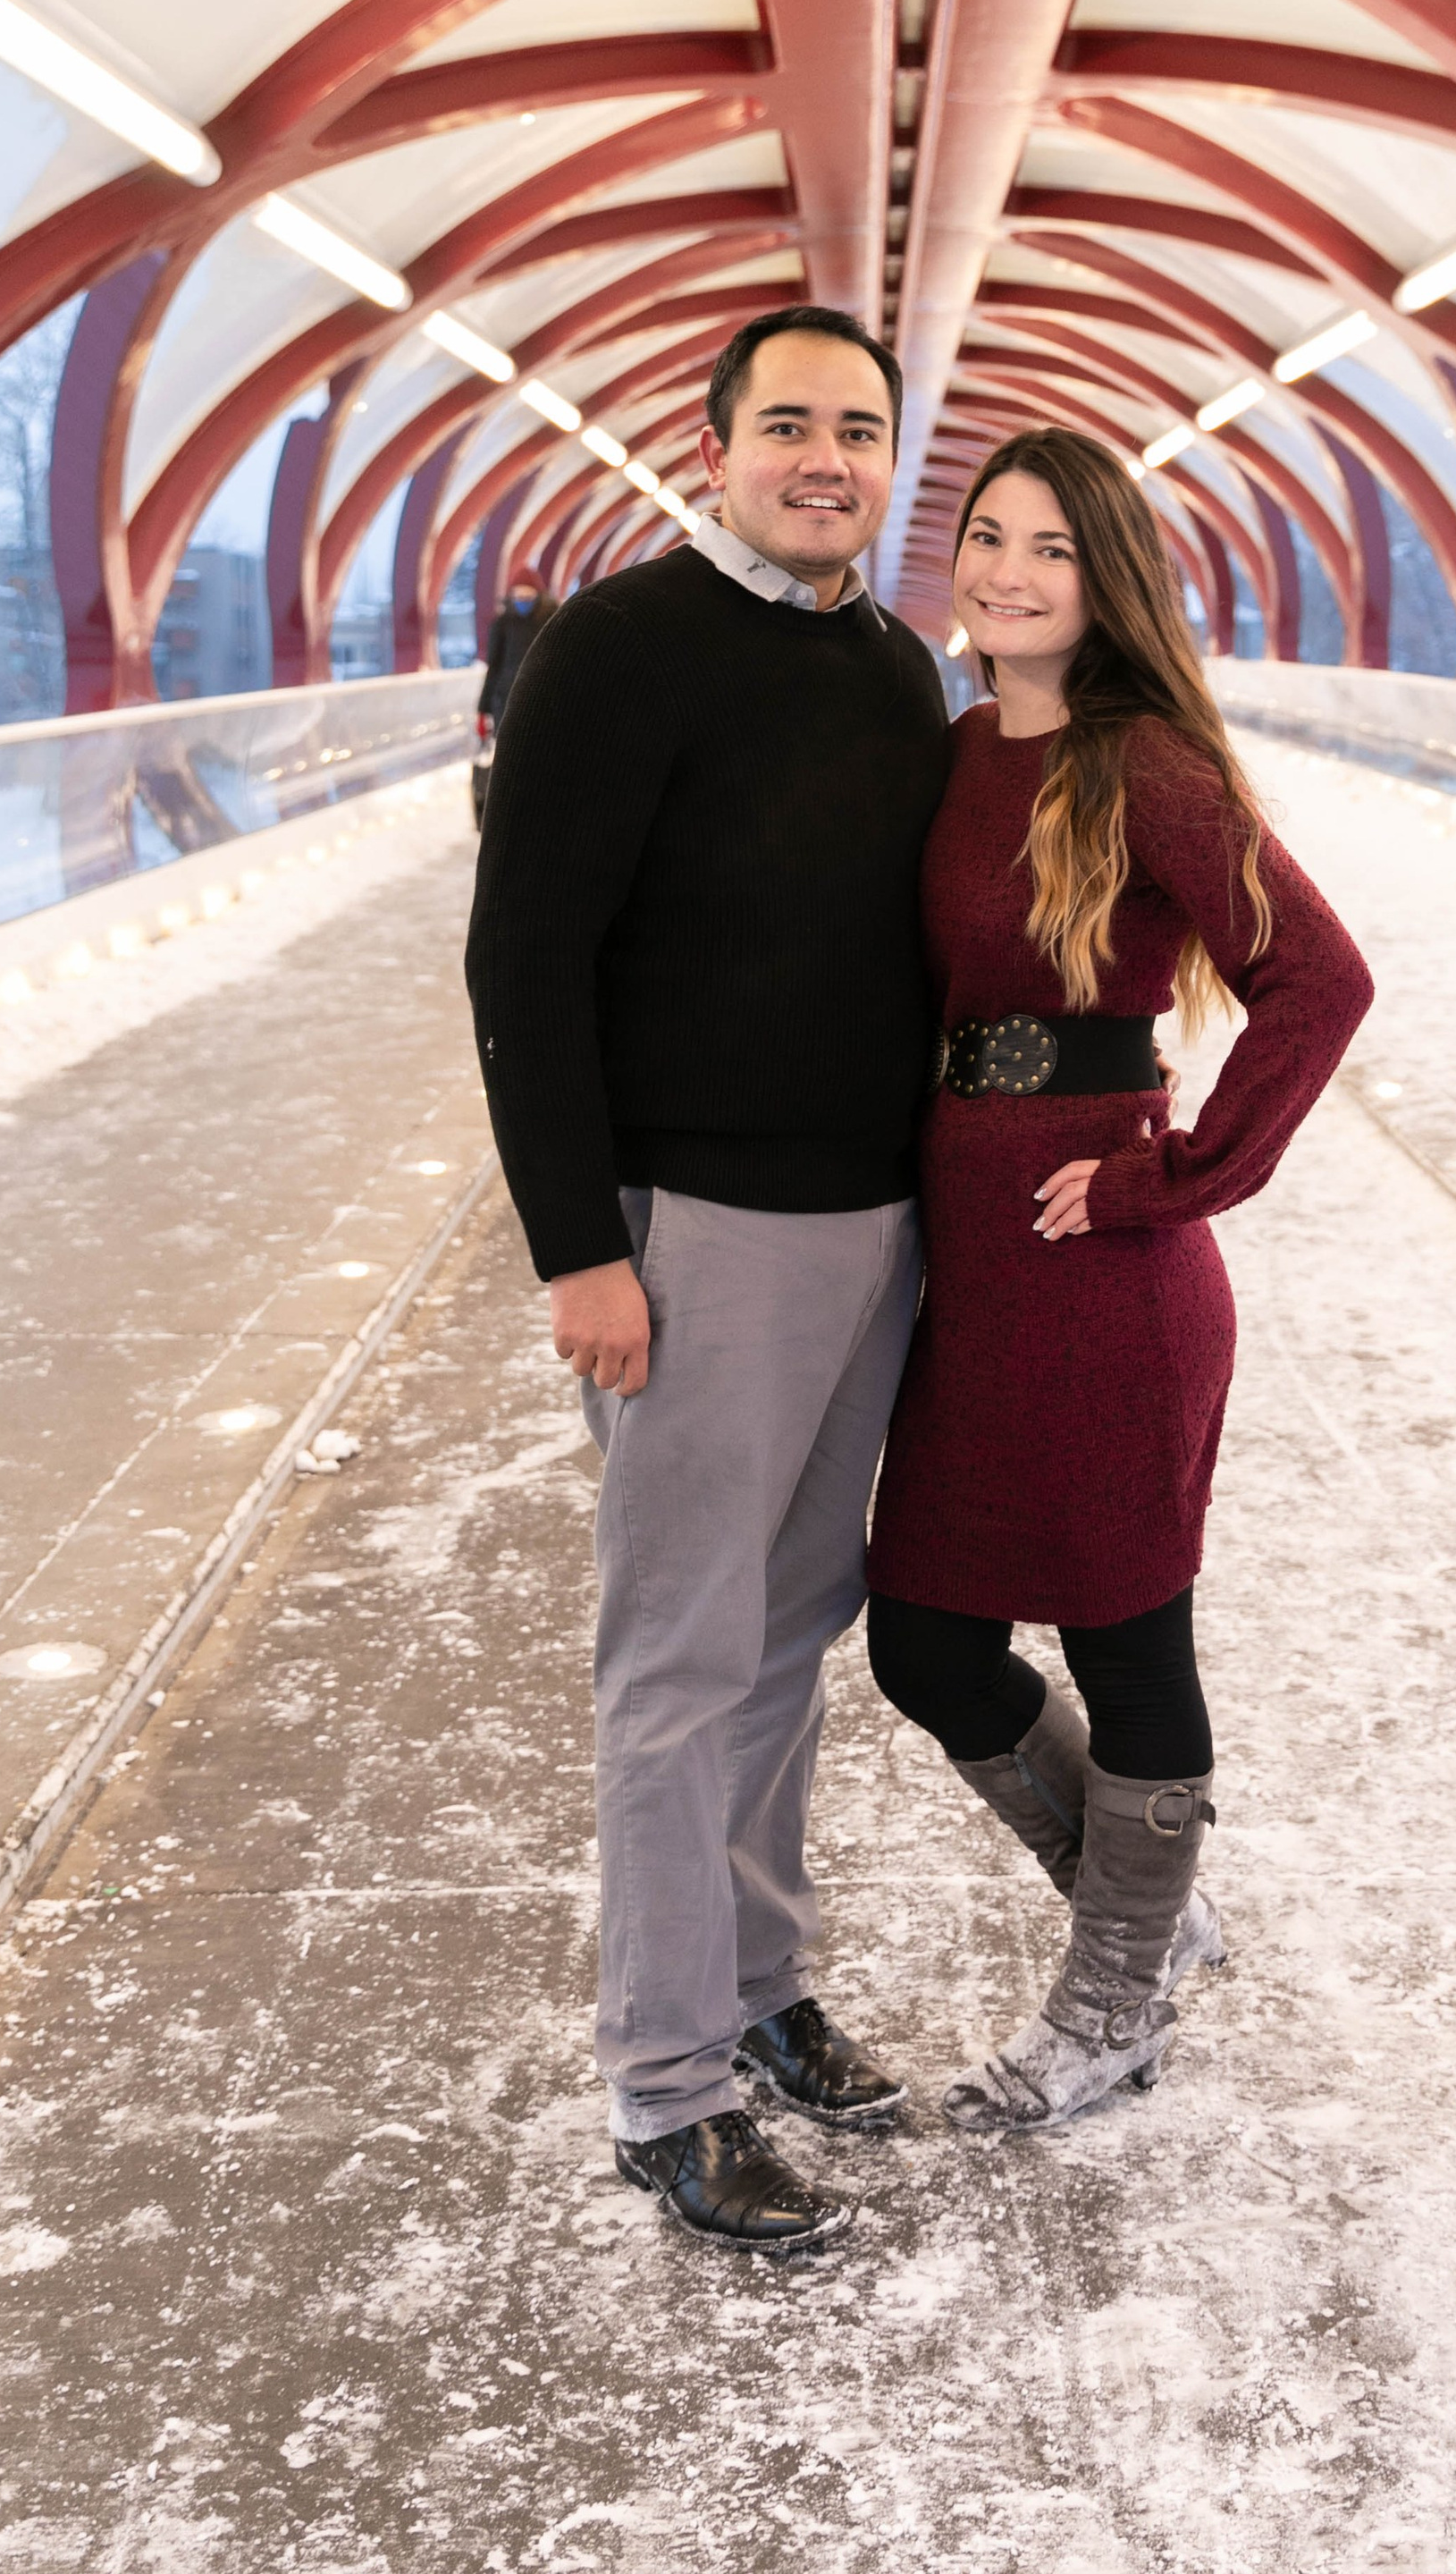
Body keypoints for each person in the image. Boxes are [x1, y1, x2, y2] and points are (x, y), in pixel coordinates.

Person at [466, 306, 948, 2252]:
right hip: (696, 1232)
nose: (825, 458)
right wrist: (580, 1243)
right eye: (790, 426)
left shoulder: (892, 664)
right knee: (675, 1661)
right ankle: (664, 2089)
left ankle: (756, 1994)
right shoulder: (619, 646)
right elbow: (523, 964)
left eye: (857, 428)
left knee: (783, 1635)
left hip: (870, 1229)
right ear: (716, 441)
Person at [866, 425, 1373, 2128]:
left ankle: (1113, 1999)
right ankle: (1142, 1909)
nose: (1005, 571)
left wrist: (1182, 1177)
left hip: (1106, 1273)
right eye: (986, 537)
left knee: (1127, 1638)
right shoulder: (946, 757)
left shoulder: (1139, 761)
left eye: (1050, 550)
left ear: (1107, 582)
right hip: (970, 1265)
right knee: (927, 1636)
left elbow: (1320, 981)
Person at [472, 568, 554, 828]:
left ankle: (537, 807)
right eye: (518, 594)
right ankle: (513, 811)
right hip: (505, 701)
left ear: (538, 594)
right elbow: (493, 668)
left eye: (527, 594)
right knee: (510, 757)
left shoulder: (552, 618)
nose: (522, 599)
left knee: (538, 756)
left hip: (543, 700)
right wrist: (483, 709)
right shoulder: (502, 624)